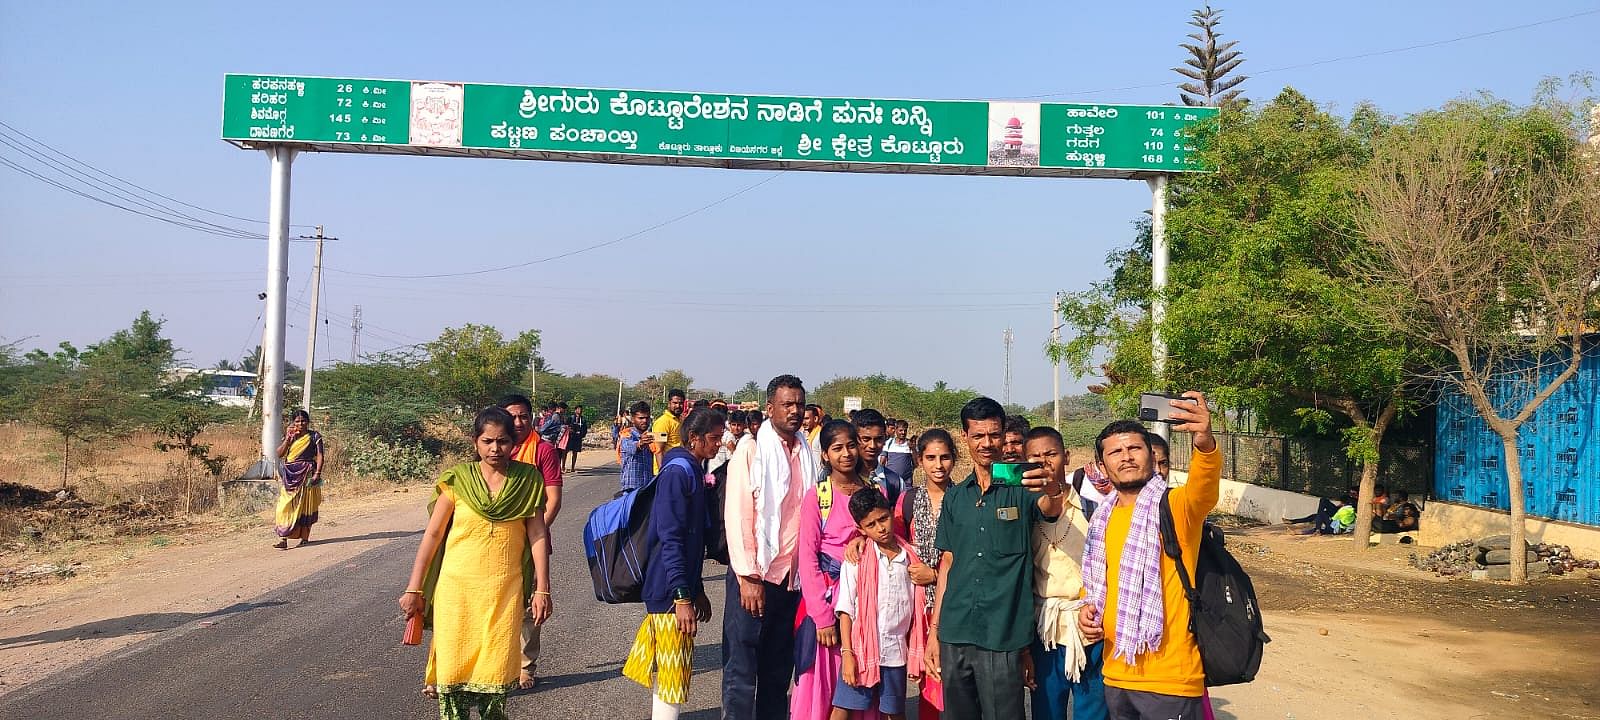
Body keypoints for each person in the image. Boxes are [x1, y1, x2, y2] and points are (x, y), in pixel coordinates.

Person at [398, 407, 553, 720]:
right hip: (457, 592)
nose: (495, 448)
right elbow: (432, 536)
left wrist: (542, 589)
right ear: (475, 443)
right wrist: (414, 587)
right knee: (454, 672)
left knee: (495, 673)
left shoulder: (528, 481)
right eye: (487, 441)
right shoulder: (457, 481)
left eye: (503, 441)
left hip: (504, 591)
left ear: (515, 443)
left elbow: (537, 535)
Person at [1078, 393, 1222, 720]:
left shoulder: (1175, 507)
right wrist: (1088, 609)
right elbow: (1098, 583)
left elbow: (1204, 488)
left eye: (1134, 448)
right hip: (1116, 674)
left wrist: (1205, 442)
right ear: (1102, 465)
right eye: (1115, 451)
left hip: (1171, 679)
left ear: (1151, 457)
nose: (1126, 457)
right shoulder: (1101, 519)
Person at [927, 397, 1070, 719]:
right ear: (965, 437)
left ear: (1004, 434)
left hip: (1002, 634)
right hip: (955, 629)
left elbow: (1050, 510)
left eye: (994, 434)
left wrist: (1052, 490)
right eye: (978, 435)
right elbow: (948, 562)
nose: (987, 443)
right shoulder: (955, 496)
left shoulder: (1022, 485)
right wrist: (934, 633)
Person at [794, 419, 922, 720]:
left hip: (869, 604)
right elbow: (808, 558)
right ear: (825, 455)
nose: (847, 454)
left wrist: (863, 537)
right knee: (826, 685)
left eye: (851, 445)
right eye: (837, 448)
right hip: (827, 601)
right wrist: (823, 618)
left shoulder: (873, 490)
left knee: (866, 688)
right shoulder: (818, 496)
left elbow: (888, 535)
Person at [722, 375, 817, 720]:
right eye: (787, 404)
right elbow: (738, 516)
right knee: (743, 668)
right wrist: (748, 577)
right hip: (756, 578)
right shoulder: (751, 450)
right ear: (769, 408)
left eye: (799, 405)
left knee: (778, 671)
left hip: (791, 581)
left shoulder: (806, 450)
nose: (794, 411)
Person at [623, 407, 723, 720]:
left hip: (677, 585)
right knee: (671, 673)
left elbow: (691, 541)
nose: (719, 444)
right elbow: (672, 538)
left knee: (671, 669)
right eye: (713, 438)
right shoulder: (679, 472)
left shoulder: (690, 466)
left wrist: (698, 588)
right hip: (667, 588)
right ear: (694, 438)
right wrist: (682, 596)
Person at [1024, 426, 1107, 720]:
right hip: (1043, 629)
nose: (1044, 463)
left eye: (1051, 454)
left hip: (1088, 629)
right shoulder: (1023, 515)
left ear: (1066, 457)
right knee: (1046, 712)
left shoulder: (1094, 511)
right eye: (1035, 457)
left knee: (1093, 712)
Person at [833, 487, 926, 720]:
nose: (881, 528)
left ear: (891, 513)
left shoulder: (912, 558)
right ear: (860, 529)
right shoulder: (856, 560)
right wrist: (847, 653)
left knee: (894, 712)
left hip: (896, 652)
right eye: (871, 525)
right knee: (843, 708)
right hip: (861, 650)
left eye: (883, 519)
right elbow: (846, 610)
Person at [500, 394, 565, 689]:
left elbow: (553, 500)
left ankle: (526, 665)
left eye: (524, 416)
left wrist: (533, 534)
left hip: (532, 540)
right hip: (497, 543)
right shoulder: (493, 448)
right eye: (511, 416)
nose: (518, 422)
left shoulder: (543, 450)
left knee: (529, 607)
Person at [900, 429, 957, 720]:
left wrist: (934, 575)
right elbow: (891, 546)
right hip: (917, 606)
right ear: (919, 460)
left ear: (954, 460)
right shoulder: (907, 501)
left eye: (945, 457)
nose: (938, 465)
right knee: (928, 683)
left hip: (956, 604)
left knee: (955, 682)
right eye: (931, 458)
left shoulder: (965, 500)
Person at [273, 409, 324, 549]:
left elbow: (320, 455)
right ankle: (283, 538)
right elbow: (279, 453)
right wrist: (288, 440)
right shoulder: (291, 436)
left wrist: (317, 473)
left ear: (307, 422)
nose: (300, 423)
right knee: (284, 506)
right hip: (290, 474)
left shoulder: (314, 436)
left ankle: (305, 538)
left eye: (303, 421)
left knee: (305, 506)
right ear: (293, 423)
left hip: (307, 473)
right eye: (297, 421)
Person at [852, 409, 906, 501]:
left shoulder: (895, 483)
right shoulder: (842, 481)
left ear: (885, 439)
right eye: (866, 439)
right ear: (854, 439)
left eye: (878, 439)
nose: (872, 446)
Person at [619, 401, 657, 494]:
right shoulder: (627, 434)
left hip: (647, 487)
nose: (644, 421)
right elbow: (631, 447)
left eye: (647, 418)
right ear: (632, 419)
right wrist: (641, 443)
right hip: (631, 489)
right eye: (641, 418)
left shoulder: (651, 436)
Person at [653, 389, 687, 473]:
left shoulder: (680, 421)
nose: (678, 406)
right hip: (666, 470)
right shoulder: (662, 422)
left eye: (681, 403)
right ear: (669, 403)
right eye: (675, 403)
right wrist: (662, 473)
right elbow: (658, 450)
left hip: (677, 468)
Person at [563, 405, 590, 472]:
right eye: (578, 409)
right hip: (570, 437)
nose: (580, 411)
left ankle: (573, 467)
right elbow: (565, 426)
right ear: (575, 410)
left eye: (581, 409)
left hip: (578, 438)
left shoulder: (583, 420)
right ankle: (563, 466)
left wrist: (582, 435)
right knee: (565, 452)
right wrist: (570, 430)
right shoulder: (570, 418)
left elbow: (585, 429)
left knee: (575, 453)